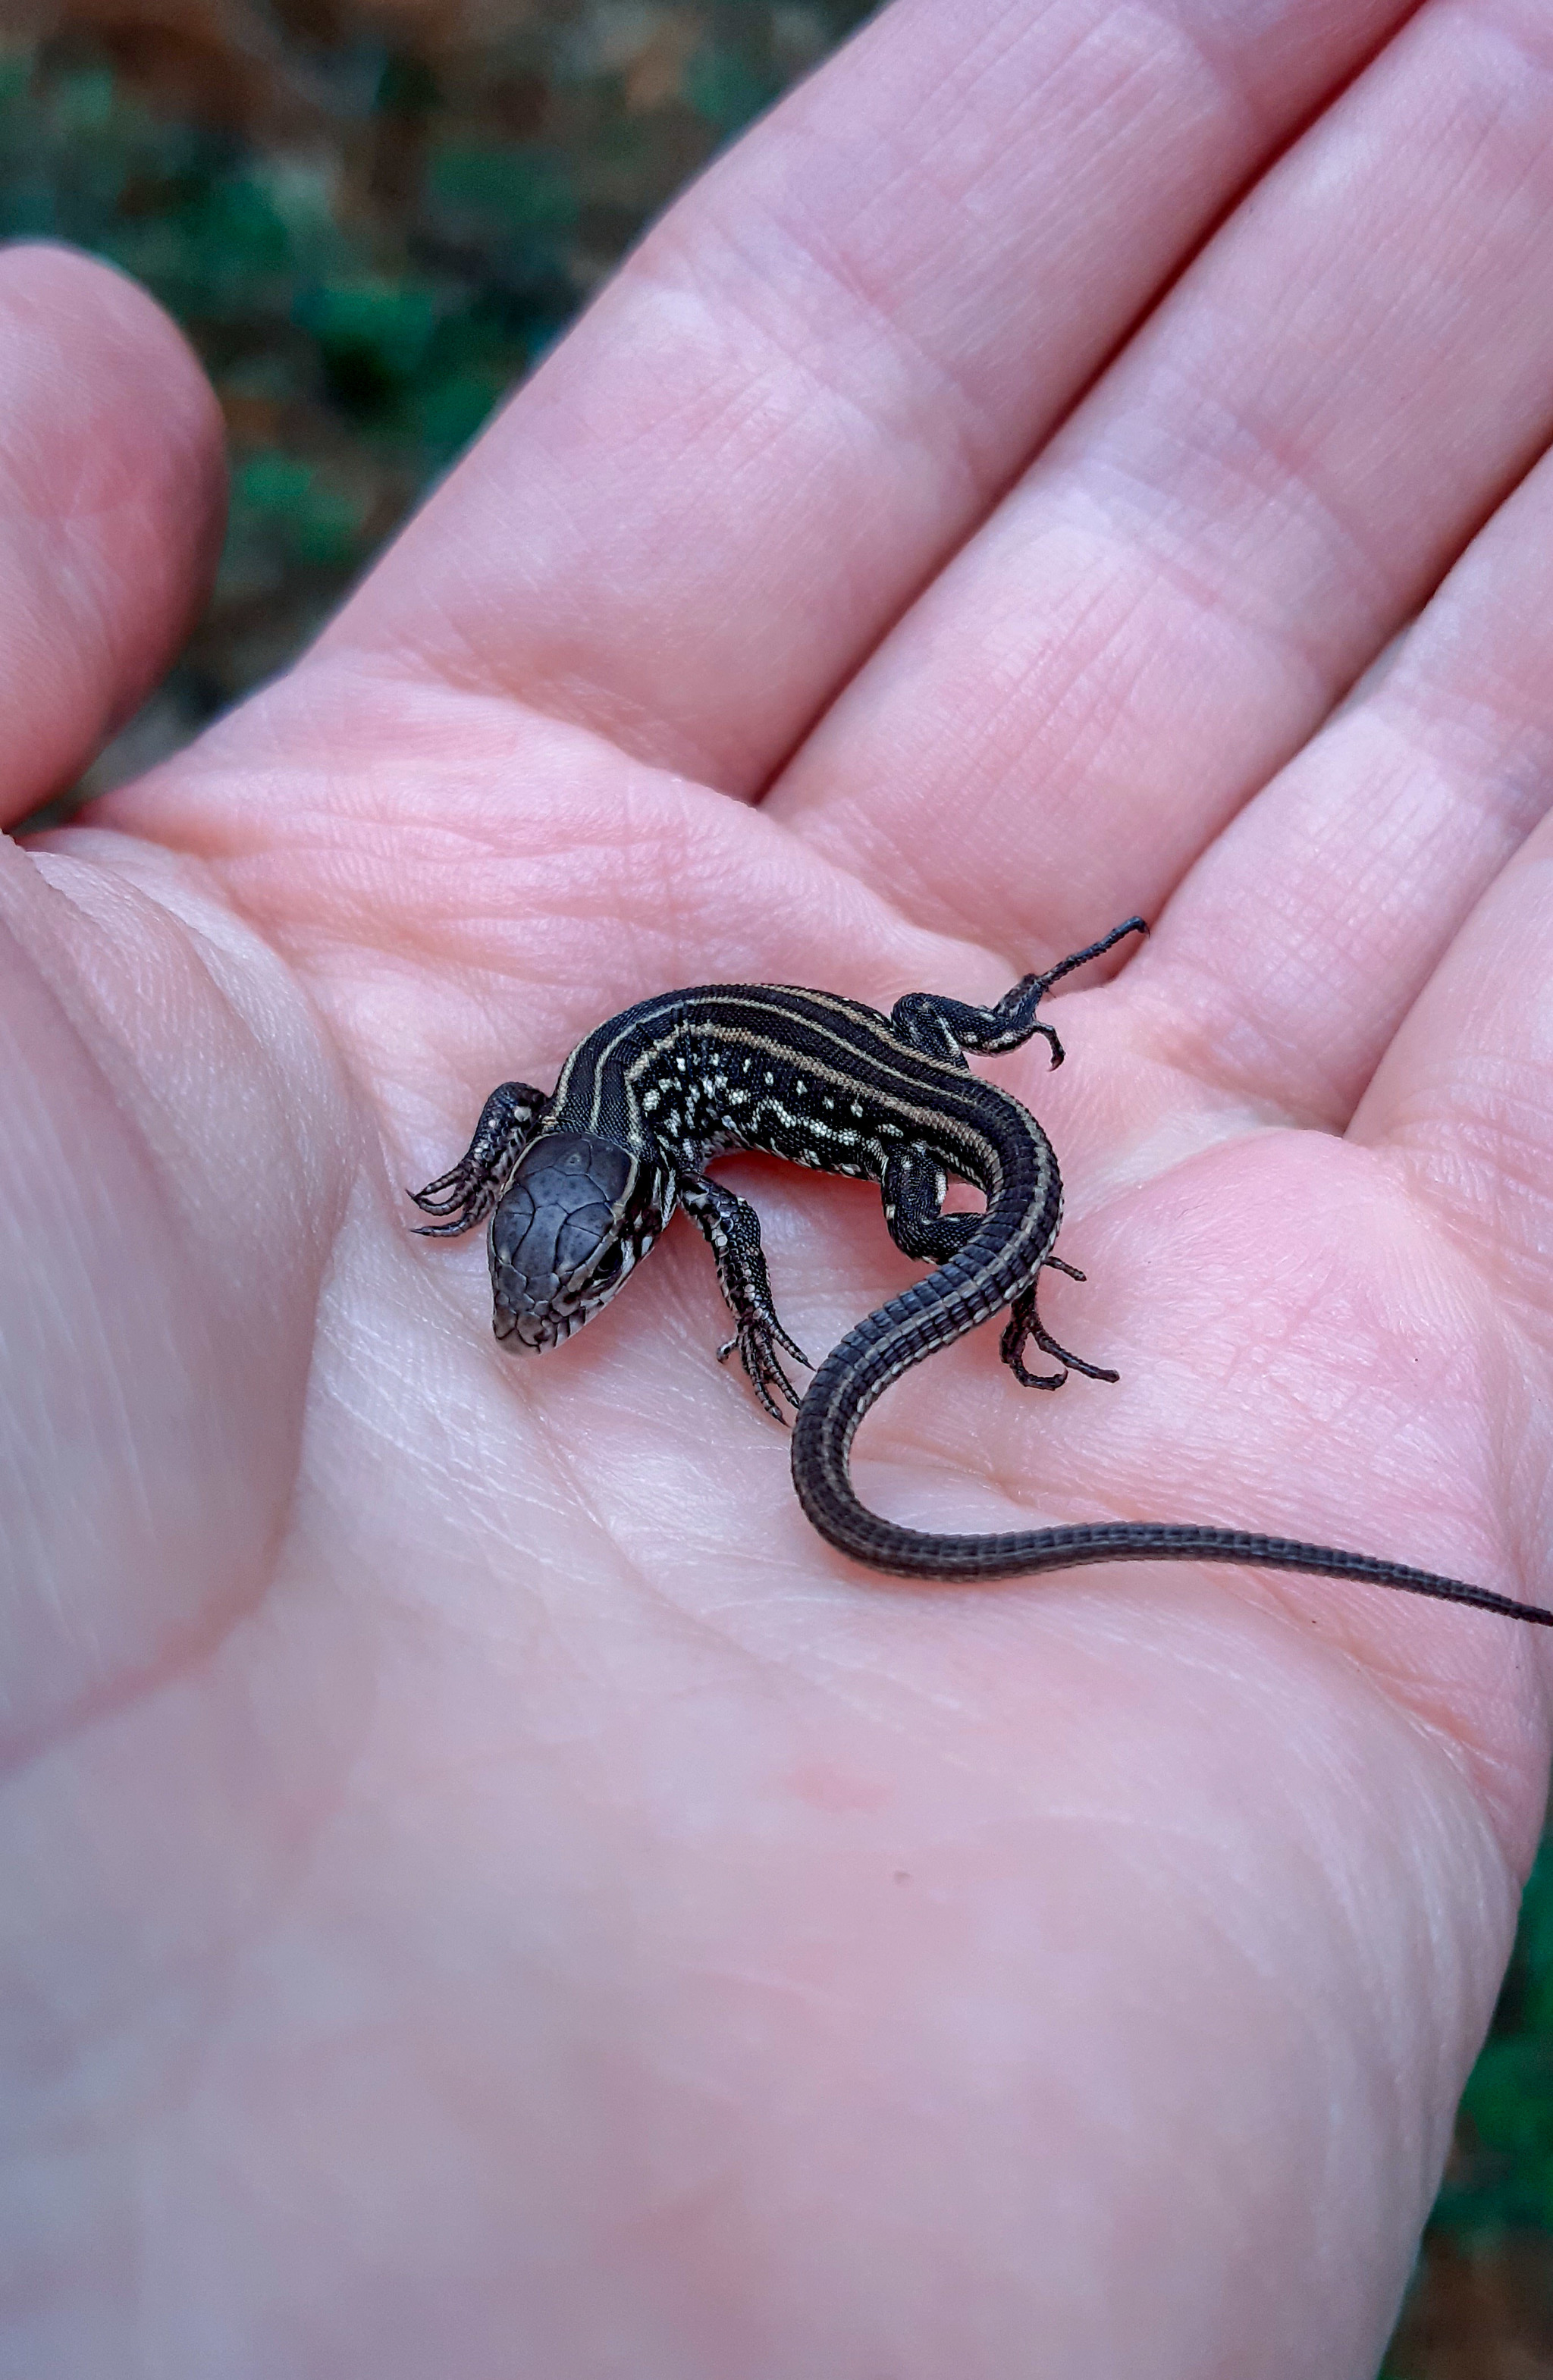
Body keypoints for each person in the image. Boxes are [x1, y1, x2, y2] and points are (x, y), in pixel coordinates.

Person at [5, 1, 1551, 2371]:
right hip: (903, 1097)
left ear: (606, 1219)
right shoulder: (586, 1129)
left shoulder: (694, 1171)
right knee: (930, 1191)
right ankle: (995, 1260)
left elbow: (721, 1210)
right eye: (548, 1271)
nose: (549, 1286)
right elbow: (563, 1147)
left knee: (952, 1213)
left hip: (951, 1135)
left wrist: (816, 1320)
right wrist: (465, 1199)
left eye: (557, 1271)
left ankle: (1006, 1284)